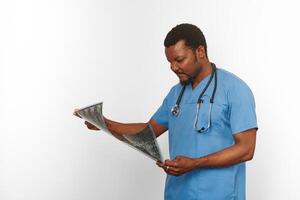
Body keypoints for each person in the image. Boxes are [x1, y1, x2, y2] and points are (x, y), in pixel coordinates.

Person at [74, 23, 258, 200]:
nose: (173, 67)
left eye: (179, 60)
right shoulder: (176, 94)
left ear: (200, 52)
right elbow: (148, 132)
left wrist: (195, 163)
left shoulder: (234, 89)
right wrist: (106, 124)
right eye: (169, 62)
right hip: (177, 194)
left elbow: (246, 149)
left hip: (220, 195)